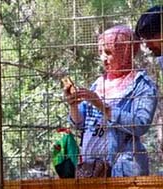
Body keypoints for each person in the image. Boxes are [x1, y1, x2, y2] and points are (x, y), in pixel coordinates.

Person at [65, 25, 158, 177]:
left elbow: (141, 124)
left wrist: (103, 106)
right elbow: (79, 124)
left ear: (126, 52)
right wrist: (73, 104)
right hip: (91, 171)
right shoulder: (98, 82)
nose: (103, 58)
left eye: (108, 52)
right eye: (101, 52)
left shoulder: (142, 84)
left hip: (123, 169)